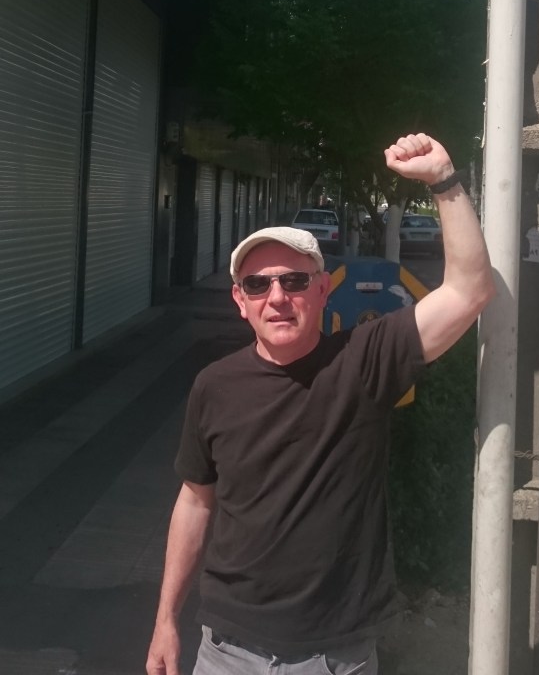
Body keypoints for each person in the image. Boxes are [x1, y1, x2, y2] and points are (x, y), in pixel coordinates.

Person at [146, 133, 495, 675]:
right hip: (225, 651)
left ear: (322, 289)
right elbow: (195, 502)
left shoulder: (365, 360)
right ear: (240, 300)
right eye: (257, 285)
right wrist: (166, 619)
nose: (277, 298)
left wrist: (443, 179)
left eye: (294, 281)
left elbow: (469, 290)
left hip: (334, 657)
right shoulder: (214, 385)